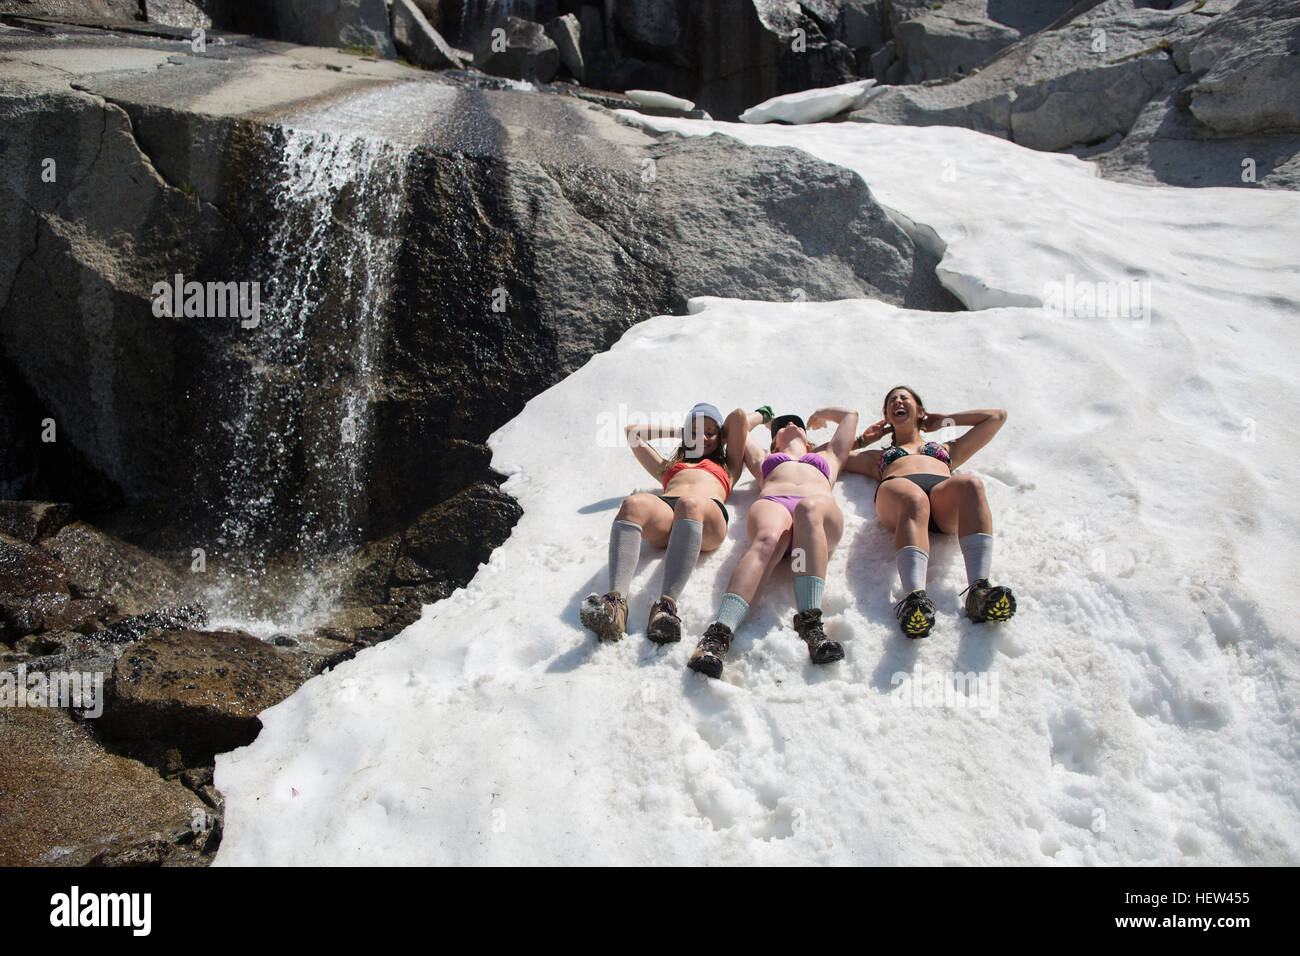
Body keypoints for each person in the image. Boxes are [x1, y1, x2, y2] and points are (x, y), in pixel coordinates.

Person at [688, 406, 859, 679]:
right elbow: (736, 426)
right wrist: (762, 417)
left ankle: (811, 625)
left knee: (808, 510)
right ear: (773, 440)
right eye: (781, 425)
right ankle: (718, 635)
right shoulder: (764, 459)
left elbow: (850, 417)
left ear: (808, 438)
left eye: (796, 423)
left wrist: (821, 414)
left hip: (819, 513)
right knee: (768, 539)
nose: (790, 423)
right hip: (774, 503)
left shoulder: (829, 456)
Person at [844, 385, 1015, 638]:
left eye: (904, 398)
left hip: (942, 500)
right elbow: (826, 456)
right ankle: (913, 600)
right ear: (886, 417)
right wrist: (863, 440)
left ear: (920, 410)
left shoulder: (946, 449)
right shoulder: (875, 456)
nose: (898, 402)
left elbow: (996, 417)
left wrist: (944, 420)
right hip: (900, 499)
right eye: (891, 401)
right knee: (914, 498)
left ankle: (979, 592)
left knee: (971, 484)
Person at [580, 403, 752, 644]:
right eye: (694, 432)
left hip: (706, 515)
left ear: (721, 436)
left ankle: (666, 607)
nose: (702, 437)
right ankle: (615, 605)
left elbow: (739, 417)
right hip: (669, 513)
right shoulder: (667, 468)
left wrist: (715, 434)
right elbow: (632, 433)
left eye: (709, 432)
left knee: (689, 503)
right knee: (633, 504)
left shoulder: (729, 466)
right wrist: (681, 431)